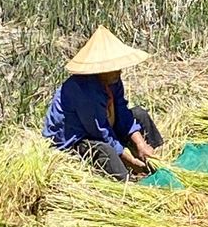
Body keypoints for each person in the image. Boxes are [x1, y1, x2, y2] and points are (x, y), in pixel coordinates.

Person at [43, 26, 163, 181]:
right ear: (99, 68)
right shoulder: (82, 90)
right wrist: (130, 160)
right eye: (113, 68)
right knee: (105, 150)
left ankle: (157, 156)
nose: (119, 71)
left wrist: (140, 144)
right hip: (76, 139)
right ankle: (128, 180)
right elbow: (100, 133)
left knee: (139, 114)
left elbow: (121, 109)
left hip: (103, 124)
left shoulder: (112, 79)